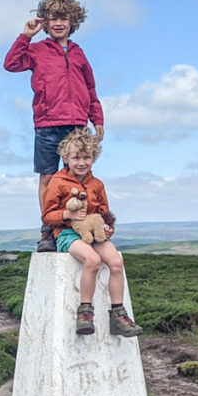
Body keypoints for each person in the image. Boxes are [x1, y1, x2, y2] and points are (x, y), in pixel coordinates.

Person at [3, 0, 104, 252]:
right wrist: (25, 35)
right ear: (45, 23)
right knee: (48, 178)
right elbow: (11, 64)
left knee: (78, 177)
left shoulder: (80, 54)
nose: (58, 23)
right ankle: (49, 229)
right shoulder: (36, 50)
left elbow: (90, 89)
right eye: (52, 18)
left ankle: (77, 224)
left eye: (64, 18)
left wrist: (97, 118)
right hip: (47, 123)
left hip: (76, 125)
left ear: (73, 22)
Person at [41, 128, 141, 338]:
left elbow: (105, 213)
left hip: (94, 233)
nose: (81, 162)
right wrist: (67, 214)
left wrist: (108, 228)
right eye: (76, 157)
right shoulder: (57, 183)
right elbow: (47, 216)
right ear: (65, 158)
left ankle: (118, 315)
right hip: (67, 234)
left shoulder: (97, 185)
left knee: (115, 262)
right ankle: (85, 312)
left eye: (87, 157)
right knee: (93, 261)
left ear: (94, 158)